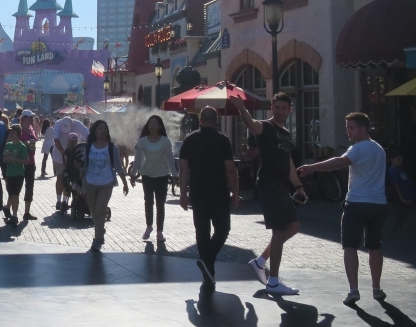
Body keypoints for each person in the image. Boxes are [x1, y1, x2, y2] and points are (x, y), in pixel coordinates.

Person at [299, 112, 389, 305]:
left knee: (350, 246)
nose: (348, 132)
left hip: (357, 203)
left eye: (351, 127)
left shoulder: (358, 149)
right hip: (378, 204)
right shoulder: (380, 149)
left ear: (363, 129)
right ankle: (376, 287)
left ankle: (354, 290)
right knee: (375, 245)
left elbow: (339, 162)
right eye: (347, 127)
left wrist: (312, 168)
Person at [235, 94, 307, 296]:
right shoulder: (265, 127)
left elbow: (289, 163)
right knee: (279, 231)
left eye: (284, 107)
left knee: (293, 227)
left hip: (282, 186)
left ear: (290, 110)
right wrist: (242, 108)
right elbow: (251, 123)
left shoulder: (285, 132)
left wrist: (299, 186)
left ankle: (260, 262)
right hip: (269, 185)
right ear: (272, 108)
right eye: (277, 107)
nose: (280, 110)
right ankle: (273, 281)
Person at [179, 107, 240, 290]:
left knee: (202, 232)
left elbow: (183, 169)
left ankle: (208, 269)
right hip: (219, 192)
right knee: (223, 229)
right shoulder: (222, 140)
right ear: (216, 120)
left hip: (198, 192)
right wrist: (235, 192)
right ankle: (208, 262)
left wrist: (183, 194)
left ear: (200, 120)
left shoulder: (190, 139)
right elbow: (230, 169)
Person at [82, 120, 130, 251]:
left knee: (100, 211)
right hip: (91, 182)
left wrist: (125, 183)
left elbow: (118, 166)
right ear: (95, 131)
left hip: (106, 183)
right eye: (100, 128)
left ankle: (96, 240)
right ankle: (101, 230)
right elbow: (85, 166)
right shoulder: (89, 146)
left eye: (105, 128)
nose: (102, 130)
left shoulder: (111, 147)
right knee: (93, 213)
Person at [131, 114, 178, 242]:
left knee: (160, 204)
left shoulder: (165, 141)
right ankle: (149, 226)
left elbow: (169, 159)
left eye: (155, 123)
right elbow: (138, 159)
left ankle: (159, 231)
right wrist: (133, 174)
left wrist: (174, 175)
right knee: (148, 201)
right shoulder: (142, 141)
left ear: (160, 126)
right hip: (147, 175)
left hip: (162, 175)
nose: (152, 125)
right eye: (150, 123)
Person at [53, 116, 90, 211]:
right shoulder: (58, 123)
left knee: (73, 177)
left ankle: (65, 200)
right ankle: (58, 200)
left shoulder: (77, 124)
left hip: (75, 154)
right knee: (60, 177)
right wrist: (63, 153)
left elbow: (87, 136)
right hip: (59, 154)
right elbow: (56, 140)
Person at [2, 124, 29, 224]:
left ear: (18, 134)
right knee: (11, 194)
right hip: (9, 173)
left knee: (15, 194)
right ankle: (7, 208)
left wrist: (15, 159)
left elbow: (26, 161)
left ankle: (14, 215)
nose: (11, 134)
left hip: (18, 174)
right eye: (10, 132)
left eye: (13, 132)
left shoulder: (22, 146)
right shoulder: (8, 145)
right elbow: (4, 160)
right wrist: (7, 157)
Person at [19, 110, 40, 220]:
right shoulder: (19, 130)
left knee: (30, 186)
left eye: (32, 117)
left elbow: (34, 142)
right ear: (24, 118)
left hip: (31, 161)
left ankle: (27, 212)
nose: (32, 119)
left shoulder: (31, 129)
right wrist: (25, 143)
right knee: (17, 186)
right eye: (30, 117)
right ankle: (9, 208)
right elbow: (14, 142)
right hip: (21, 162)